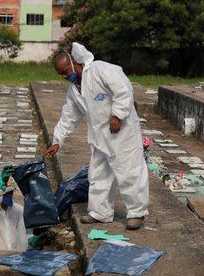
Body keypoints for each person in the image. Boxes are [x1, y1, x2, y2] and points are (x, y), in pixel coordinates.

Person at [44, 43, 149, 231]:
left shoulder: (101, 70)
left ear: (76, 62)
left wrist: (117, 115)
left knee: (129, 172)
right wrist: (58, 140)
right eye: (61, 74)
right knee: (98, 174)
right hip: (99, 136)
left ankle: (136, 212)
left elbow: (124, 90)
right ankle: (100, 213)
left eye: (66, 71)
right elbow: (69, 115)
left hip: (121, 132)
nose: (64, 76)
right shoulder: (75, 90)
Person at [0, 165, 38, 251]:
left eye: (10, 193)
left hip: (14, 259)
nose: (8, 196)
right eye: (5, 193)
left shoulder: (19, 210)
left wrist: (32, 242)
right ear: (0, 193)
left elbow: (23, 238)